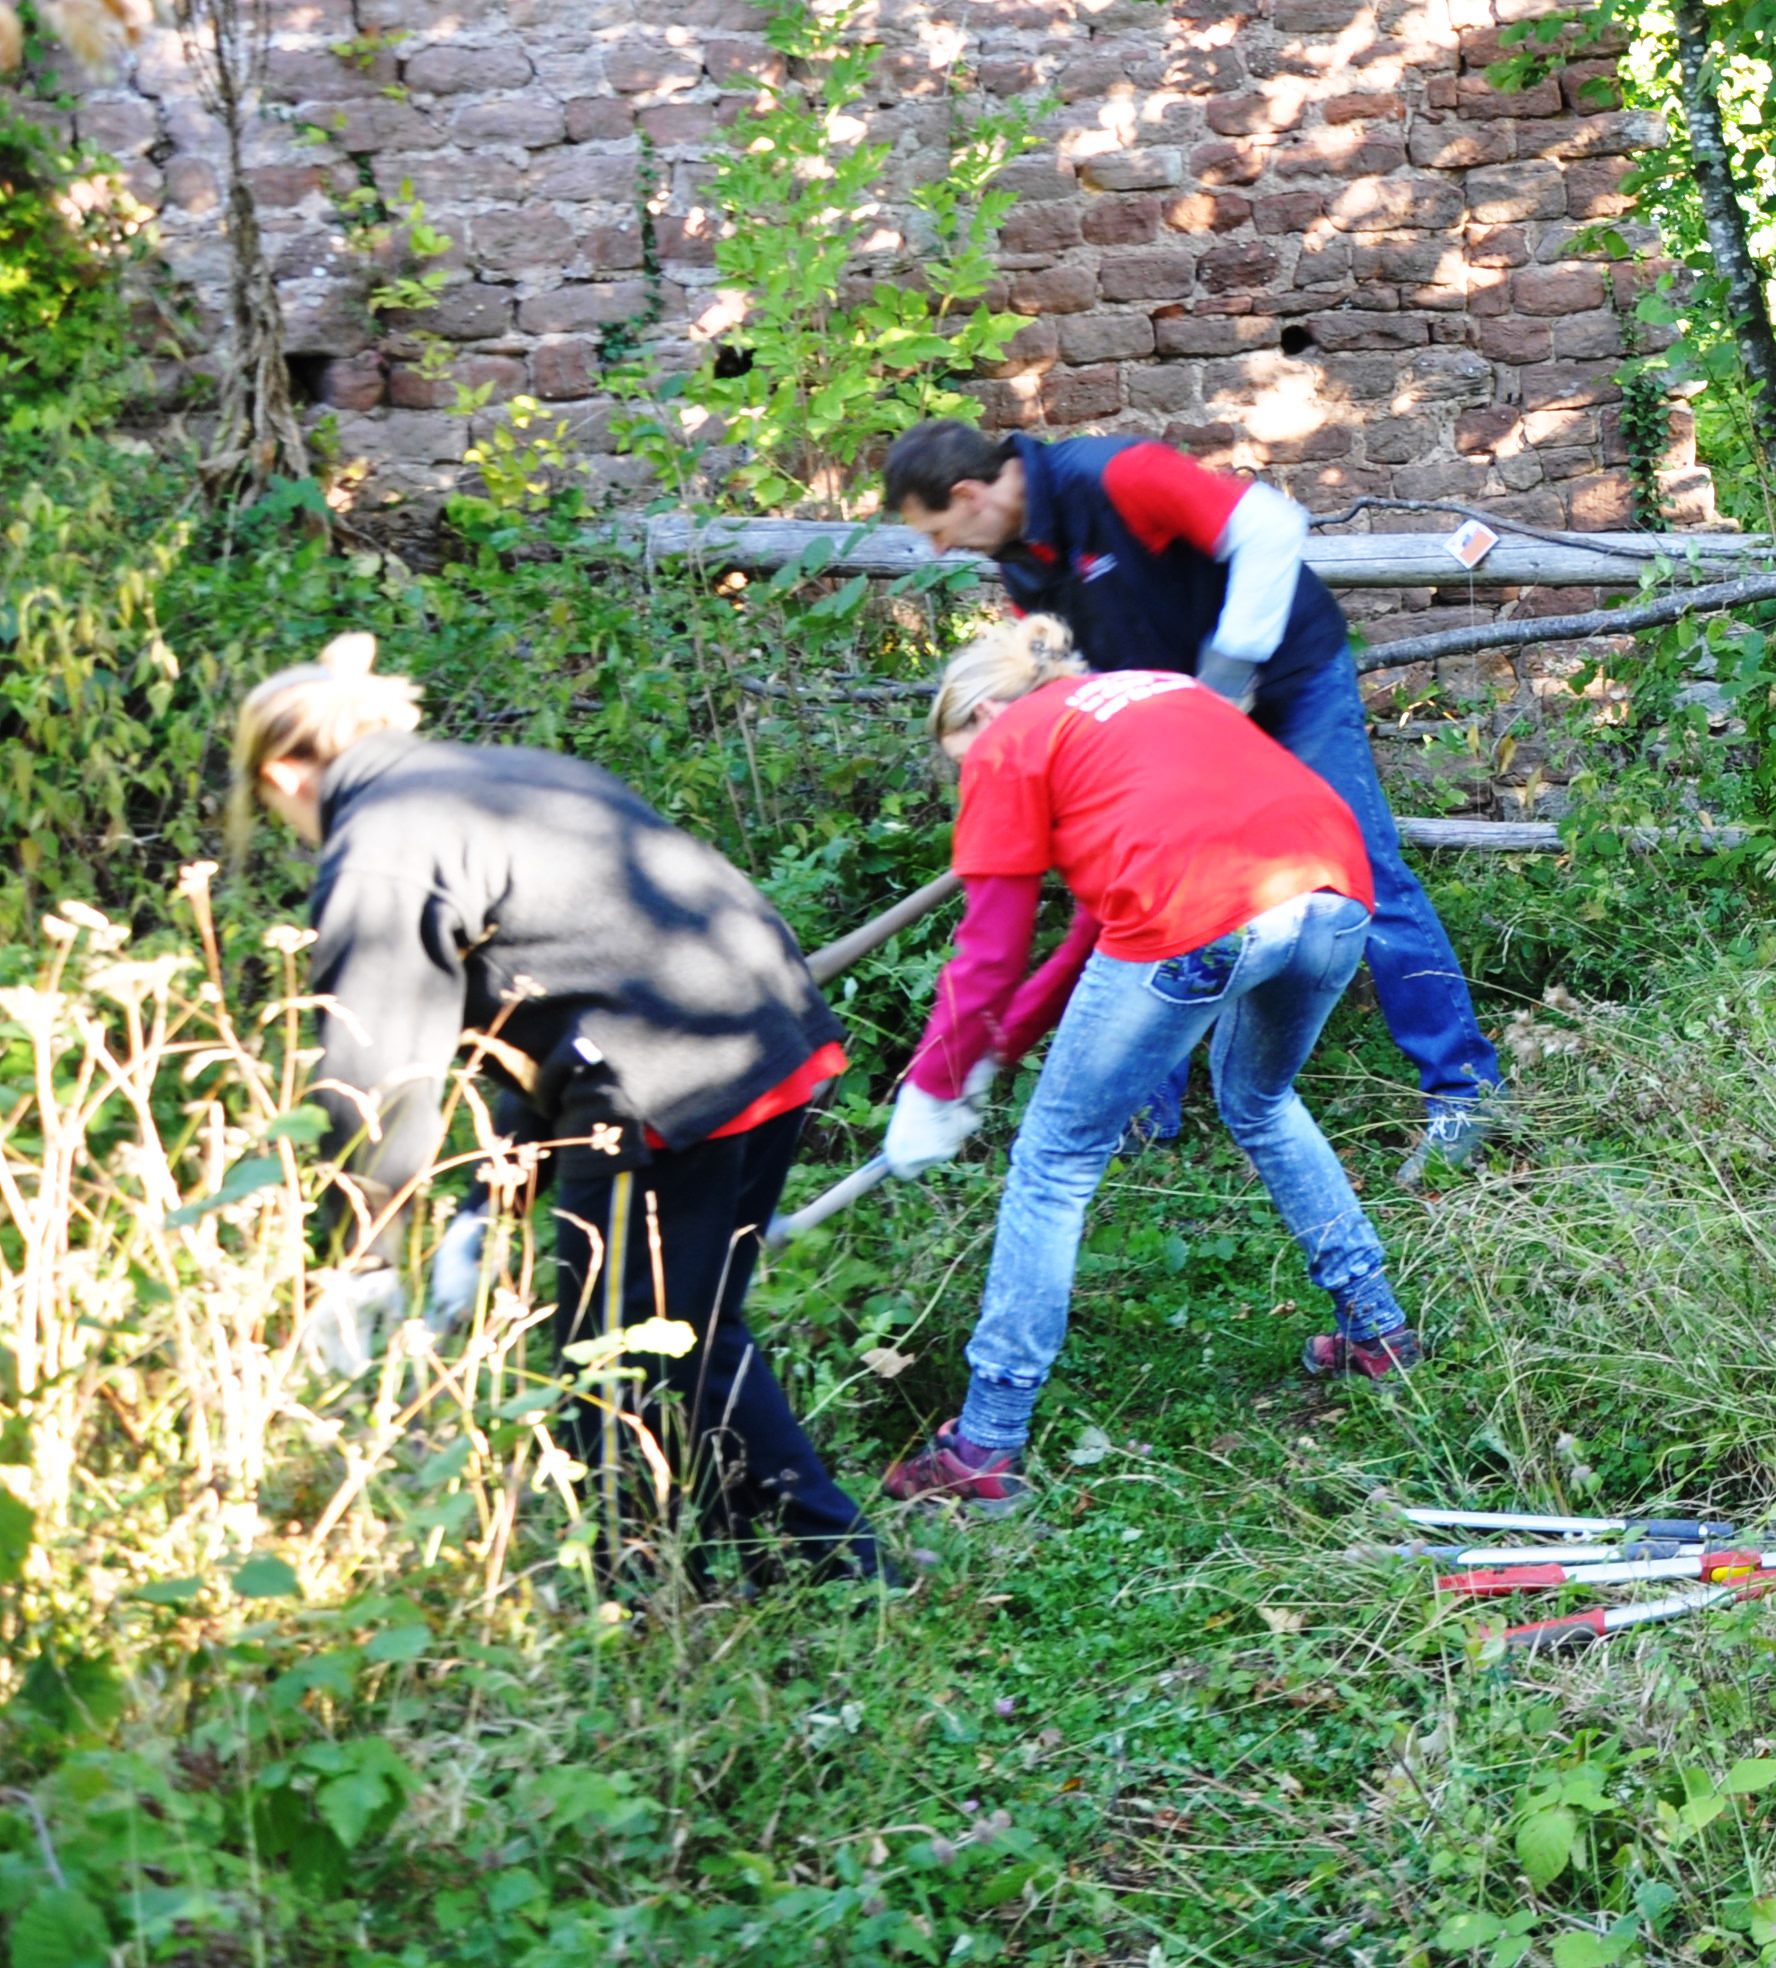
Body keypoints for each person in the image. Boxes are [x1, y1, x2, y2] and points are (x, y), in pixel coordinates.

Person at [233, 635, 882, 1584]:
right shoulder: (504, 776)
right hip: (768, 1037)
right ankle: (829, 1567)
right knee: (687, 1331)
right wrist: (486, 1206)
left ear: (284, 773)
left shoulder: (380, 848)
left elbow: (373, 1071)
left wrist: (361, 1258)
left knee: (609, 1355)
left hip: (665, 1081)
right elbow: (558, 1004)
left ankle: (635, 1596)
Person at [875, 618, 1424, 1518]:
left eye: (957, 762)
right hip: (1331, 895)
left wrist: (935, 1084)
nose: (966, 779)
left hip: (1200, 913)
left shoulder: (1009, 741)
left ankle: (986, 1444)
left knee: (1053, 1161)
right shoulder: (1154, 693)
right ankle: (1378, 1331)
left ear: (980, 712)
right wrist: (993, 1054)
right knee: (1260, 1101)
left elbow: (990, 948)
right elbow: (1087, 938)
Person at [875, 422, 1501, 1170]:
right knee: (1146, 890)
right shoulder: (1023, 565)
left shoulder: (1112, 474)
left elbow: (1269, 525)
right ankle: (1146, 1119)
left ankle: (1465, 1093)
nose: (940, 549)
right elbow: (1075, 678)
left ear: (968, 493)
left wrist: (1225, 676)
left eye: (937, 529)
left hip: (1285, 680)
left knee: (1361, 873)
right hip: (1180, 722)